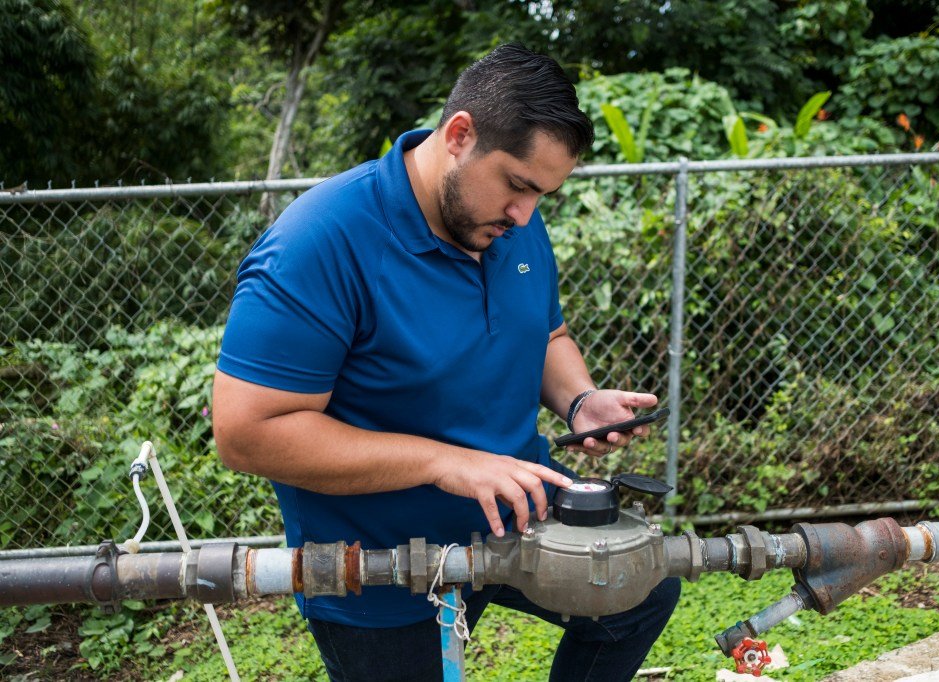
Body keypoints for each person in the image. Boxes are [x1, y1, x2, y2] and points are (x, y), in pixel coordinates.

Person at [212, 43, 680, 682]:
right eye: (518, 185)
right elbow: (246, 433)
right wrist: (445, 462)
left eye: (542, 195)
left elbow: (544, 334)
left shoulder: (507, 222)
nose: (525, 215)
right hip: (378, 567)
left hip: (514, 516)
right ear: (460, 134)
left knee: (637, 593)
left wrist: (579, 399)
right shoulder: (319, 241)